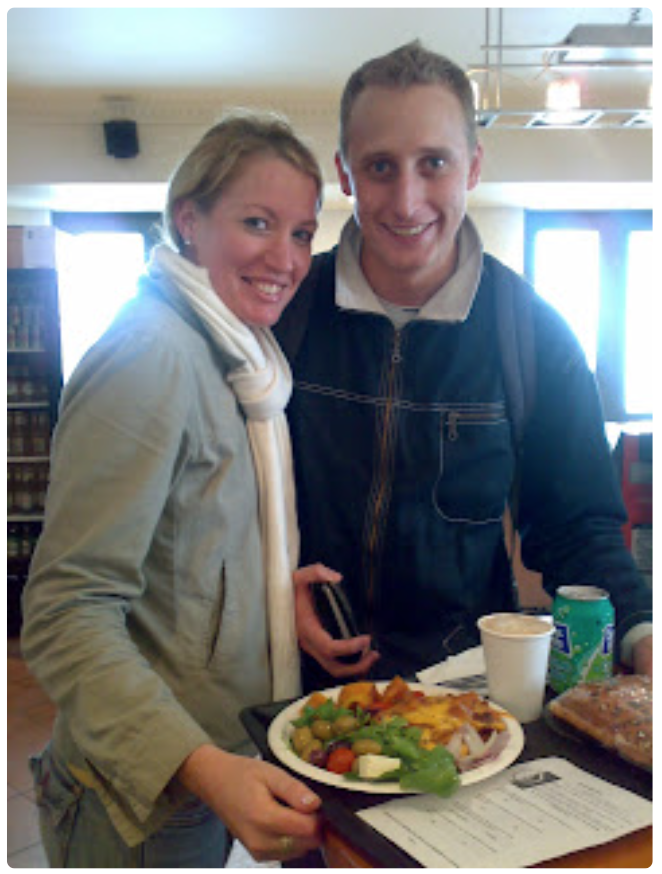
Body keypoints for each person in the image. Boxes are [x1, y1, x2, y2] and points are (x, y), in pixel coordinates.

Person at [276, 41, 653, 690]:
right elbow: (213, 508)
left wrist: (644, 633)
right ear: (344, 173)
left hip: (462, 699)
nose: (406, 199)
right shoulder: (281, 315)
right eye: (380, 167)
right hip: (293, 686)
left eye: (434, 163)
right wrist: (267, 596)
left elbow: (578, 529)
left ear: (473, 166)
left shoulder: (533, 334)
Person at [21, 111, 325, 867]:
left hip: (209, 763)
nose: (284, 257)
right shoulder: (149, 356)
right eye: (258, 222)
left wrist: (272, 601)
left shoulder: (241, 356)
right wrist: (200, 764)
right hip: (138, 792)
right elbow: (66, 612)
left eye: (302, 233)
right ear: (188, 220)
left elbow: (190, 555)